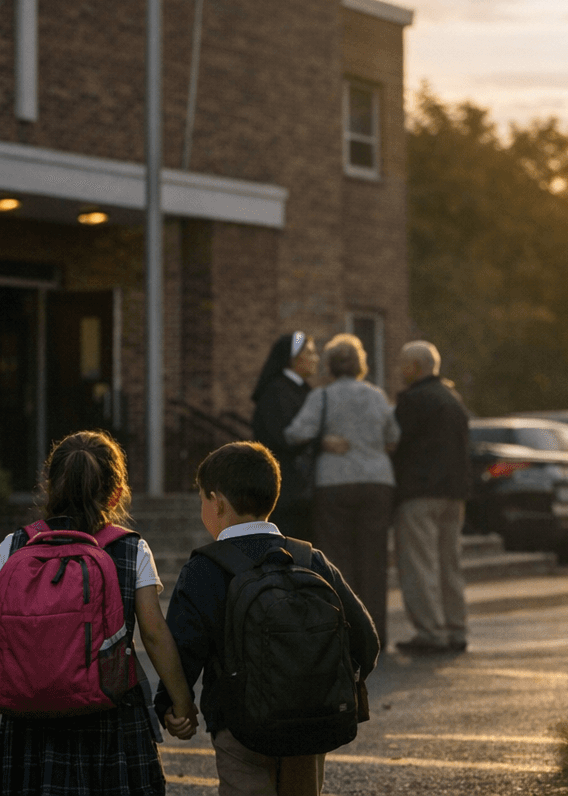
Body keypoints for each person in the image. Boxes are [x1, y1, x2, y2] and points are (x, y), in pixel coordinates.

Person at [0, 430, 198, 796]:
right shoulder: (131, 549)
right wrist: (182, 704)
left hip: (32, 717)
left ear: (49, 486)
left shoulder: (15, 545)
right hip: (110, 715)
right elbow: (154, 635)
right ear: (116, 494)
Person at [154, 442, 379, 796]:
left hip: (239, 726)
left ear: (217, 502)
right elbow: (366, 640)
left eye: (201, 500)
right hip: (310, 723)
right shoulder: (310, 559)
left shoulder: (204, 568)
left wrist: (173, 706)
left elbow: (183, 648)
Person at [285, 334, 400, 649]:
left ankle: (344, 632)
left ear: (330, 366)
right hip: (377, 481)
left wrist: (323, 440)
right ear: (361, 364)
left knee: (337, 558)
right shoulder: (377, 396)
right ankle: (376, 633)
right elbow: (393, 437)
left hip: (334, 482)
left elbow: (294, 434)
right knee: (373, 559)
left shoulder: (321, 397)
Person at [390, 340, 471, 654]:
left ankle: (431, 632)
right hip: (453, 493)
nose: (400, 370)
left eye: (403, 364)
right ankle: (455, 628)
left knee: (420, 565)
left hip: (419, 492)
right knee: (450, 563)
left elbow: (395, 442)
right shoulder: (453, 398)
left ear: (415, 367)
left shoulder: (413, 400)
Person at [250, 331, 320, 538]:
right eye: (310, 353)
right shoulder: (276, 392)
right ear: (293, 358)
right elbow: (279, 438)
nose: (316, 358)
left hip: (303, 490)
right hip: (286, 490)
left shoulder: (302, 390)